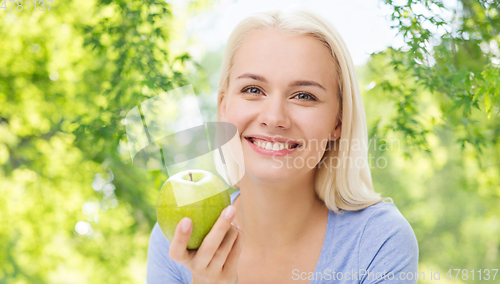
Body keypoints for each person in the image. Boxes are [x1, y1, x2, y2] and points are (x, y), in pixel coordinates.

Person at [147, 8, 418, 284]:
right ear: (224, 108)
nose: (274, 118)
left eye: (303, 96)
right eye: (253, 90)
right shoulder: (179, 236)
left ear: (338, 121)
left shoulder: (378, 241)